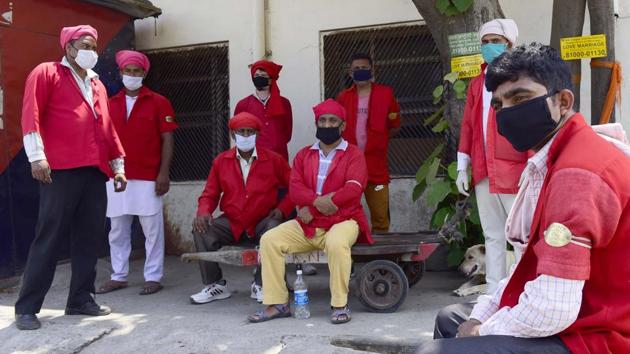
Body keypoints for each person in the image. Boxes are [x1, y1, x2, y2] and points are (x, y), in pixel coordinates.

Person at [420, 43, 630, 354]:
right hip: (577, 314)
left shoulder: (577, 172)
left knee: (434, 351)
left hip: (598, 335)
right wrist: (478, 319)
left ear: (562, 101)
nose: (508, 112)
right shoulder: (553, 160)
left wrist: (480, 332)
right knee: (451, 318)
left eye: (521, 98)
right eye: (499, 105)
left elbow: (551, 309)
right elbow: (525, 268)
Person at [14, 25, 126, 331]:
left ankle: (80, 299)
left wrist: (118, 165)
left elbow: (107, 128)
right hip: (59, 169)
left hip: (94, 169)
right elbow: (31, 114)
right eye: (85, 44)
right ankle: (26, 307)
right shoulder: (47, 73)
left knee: (89, 236)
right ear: (69, 48)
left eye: (94, 45)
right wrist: (37, 157)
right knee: (49, 235)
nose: (91, 50)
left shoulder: (97, 84)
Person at [248, 99, 371, 324]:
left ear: (342, 126)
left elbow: (353, 190)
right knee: (269, 240)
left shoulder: (354, 154)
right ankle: (278, 303)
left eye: (333, 121)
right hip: (308, 224)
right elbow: (295, 189)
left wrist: (312, 209)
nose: (327, 125)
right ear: (316, 124)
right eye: (322, 120)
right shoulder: (304, 155)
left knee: (336, 243)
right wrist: (316, 202)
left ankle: (339, 305)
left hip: (344, 220)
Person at [96, 50, 177, 296]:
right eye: (128, 71)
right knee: (118, 229)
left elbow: (168, 139)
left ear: (144, 73)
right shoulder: (109, 104)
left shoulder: (159, 101)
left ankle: (153, 276)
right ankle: (118, 276)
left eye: (137, 71)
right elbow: (104, 140)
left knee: (152, 230)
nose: (132, 75)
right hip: (117, 176)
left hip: (149, 176)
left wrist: (163, 173)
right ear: (120, 73)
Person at [455, 19, 527, 294]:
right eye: (485, 42)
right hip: (484, 170)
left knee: (521, 238)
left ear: (510, 44)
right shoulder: (477, 84)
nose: (488, 47)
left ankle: (522, 293)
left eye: (495, 41)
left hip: (515, 170)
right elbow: (468, 126)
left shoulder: (522, 81)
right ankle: (495, 294)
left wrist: (534, 166)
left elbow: (531, 125)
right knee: (492, 236)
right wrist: (463, 166)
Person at [190, 112, 293, 304]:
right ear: (232, 134)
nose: (245, 136)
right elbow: (210, 194)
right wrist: (203, 212)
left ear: (257, 134)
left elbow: (295, 187)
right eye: (241, 132)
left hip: (262, 221)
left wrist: (283, 208)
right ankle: (215, 285)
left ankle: (262, 284)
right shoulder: (221, 161)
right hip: (233, 222)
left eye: (250, 132)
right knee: (202, 230)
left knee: (274, 228)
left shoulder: (274, 160)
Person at [336, 53, 401, 234]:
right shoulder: (343, 97)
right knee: (346, 215)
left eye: (364, 68)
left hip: (376, 165)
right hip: (350, 165)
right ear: (350, 72)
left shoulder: (386, 94)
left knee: (380, 216)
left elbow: (394, 125)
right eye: (356, 69)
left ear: (372, 70)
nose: (360, 71)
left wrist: (379, 141)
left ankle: (380, 254)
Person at [234, 60, 292, 161]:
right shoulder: (243, 104)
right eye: (256, 75)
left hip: (279, 158)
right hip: (253, 159)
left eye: (263, 75)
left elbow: (287, 133)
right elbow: (237, 133)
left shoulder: (284, 103)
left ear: (271, 79)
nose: (259, 77)